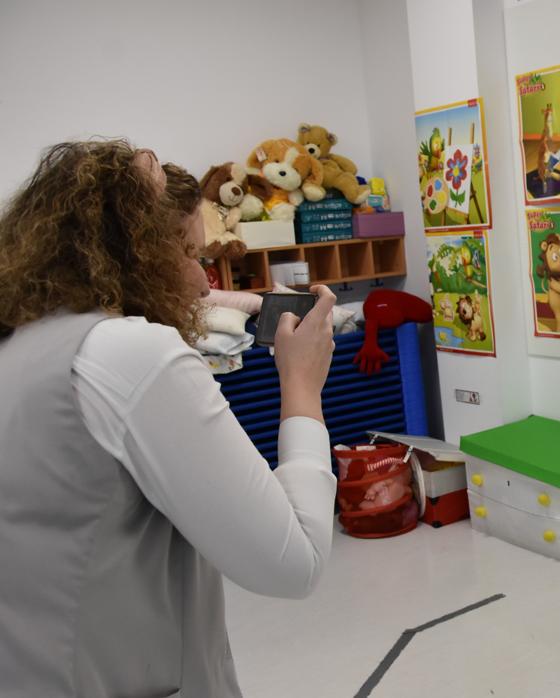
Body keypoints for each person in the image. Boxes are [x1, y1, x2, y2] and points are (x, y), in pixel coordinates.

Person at [0, 140, 337, 698]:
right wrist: (302, 387)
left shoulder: (24, 343)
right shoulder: (130, 353)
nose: (205, 283)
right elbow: (293, 565)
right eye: (189, 254)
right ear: (135, 253)